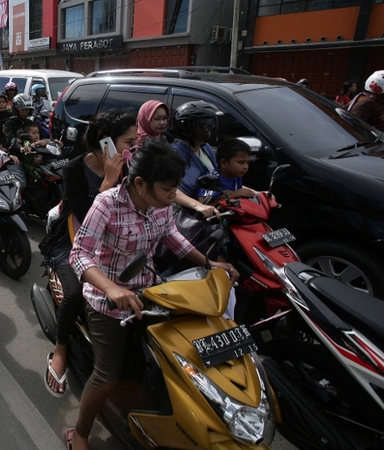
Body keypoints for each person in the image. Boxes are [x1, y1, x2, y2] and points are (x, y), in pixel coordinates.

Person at [66, 138, 239, 450]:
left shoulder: (162, 206)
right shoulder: (106, 204)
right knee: (106, 376)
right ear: (140, 183)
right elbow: (79, 255)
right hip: (108, 303)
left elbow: (173, 238)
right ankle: (80, 432)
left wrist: (210, 264)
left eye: (175, 188)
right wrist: (112, 288)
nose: (174, 195)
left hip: (151, 292)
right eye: (167, 189)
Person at [43, 110, 131, 397]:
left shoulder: (130, 165)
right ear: (106, 143)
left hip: (117, 240)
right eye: (128, 141)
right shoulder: (74, 169)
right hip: (75, 240)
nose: (132, 148)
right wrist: (108, 181)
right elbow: (86, 215)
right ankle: (60, 348)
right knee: (75, 292)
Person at [171, 101, 221, 198]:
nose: (208, 129)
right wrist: (198, 206)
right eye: (202, 126)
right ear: (187, 128)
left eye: (209, 124)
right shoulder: (175, 154)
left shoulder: (206, 148)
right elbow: (171, 190)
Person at [197, 138, 258, 203]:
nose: (246, 167)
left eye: (247, 162)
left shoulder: (236, 176)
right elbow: (202, 207)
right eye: (241, 162)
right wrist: (230, 196)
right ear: (224, 163)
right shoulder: (212, 180)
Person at [350, 68, 384, 135]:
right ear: (379, 86)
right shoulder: (366, 104)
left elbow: (379, 125)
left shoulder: (381, 103)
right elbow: (355, 126)